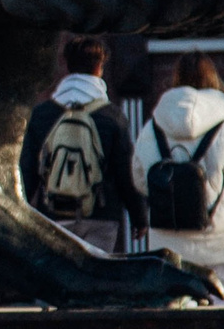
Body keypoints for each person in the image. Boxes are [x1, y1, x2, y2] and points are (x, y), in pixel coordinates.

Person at [133, 52, 224, 305]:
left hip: (168, 246)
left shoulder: (153, 126)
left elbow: (141, 180)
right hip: (220, 241)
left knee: (175, 318)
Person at [21, 36, 145, 259]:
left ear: (68, 66)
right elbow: (125, 172)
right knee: (96, 275)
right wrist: (139, 217)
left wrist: (22, 210)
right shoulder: (112, 116)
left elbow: (27, 169)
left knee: (57, 274)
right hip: (101, 216)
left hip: (53, 215)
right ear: (99, 68)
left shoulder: (42, 114)